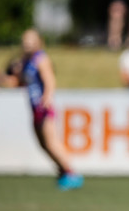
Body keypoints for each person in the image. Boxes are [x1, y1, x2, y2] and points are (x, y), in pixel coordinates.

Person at [16, 29, 84, 190]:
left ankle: (71, 173)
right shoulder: (25, 61)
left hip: (43, 107)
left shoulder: (41, 58)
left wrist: (47, 97)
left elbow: (49, 80)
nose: (27, 43)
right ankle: (62, 171)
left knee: (51, 142)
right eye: (25, 40)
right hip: (34, 108)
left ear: (39, 41)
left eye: (31, 40)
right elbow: (20, 82)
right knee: (43, 144)